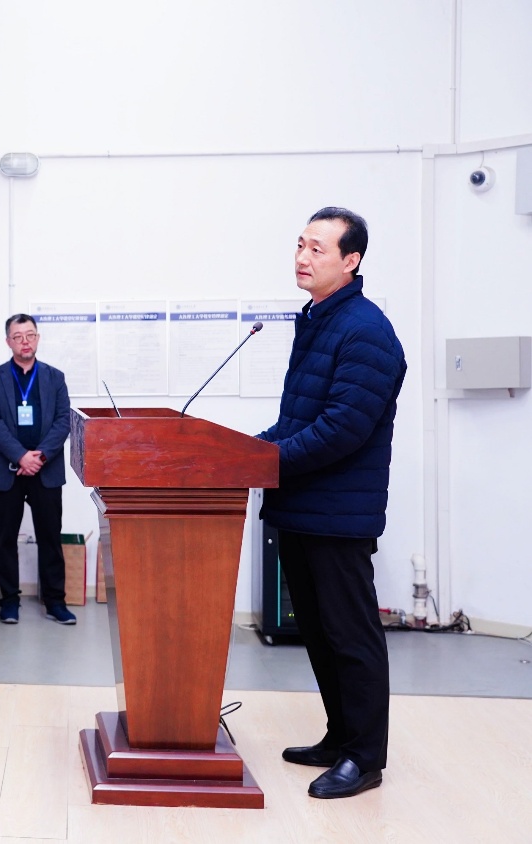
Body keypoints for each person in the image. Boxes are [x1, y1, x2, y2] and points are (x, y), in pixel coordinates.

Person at [258, 207, 406, 800]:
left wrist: (264, 462)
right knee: (318, 633)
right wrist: (245, 451)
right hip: (301, 507)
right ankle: (340, 737)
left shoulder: (366, 330)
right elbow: (297, 421)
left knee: (351, 636)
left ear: (351, 260)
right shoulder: (319, 320)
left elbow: (342, 428)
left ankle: (364, 759)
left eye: (317, 249)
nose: (302, 257)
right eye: (299, 245)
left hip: (338, 516)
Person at [0, 314, 75, 625]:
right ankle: (9, 601)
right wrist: (22, 456)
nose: (25, 341)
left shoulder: (55, 378)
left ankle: (55, 602)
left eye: (30, 335)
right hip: (5, 470)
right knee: (6, 539)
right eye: (18, 336)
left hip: (45, 470)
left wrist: (40, 457)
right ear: (8, 341)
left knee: (50, 538)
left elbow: (63, 421)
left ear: (38, 338)